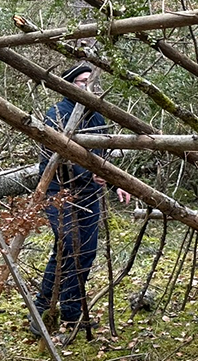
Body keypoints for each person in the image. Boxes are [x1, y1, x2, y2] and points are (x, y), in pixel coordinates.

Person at [32, 65, 131, 335]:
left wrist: (112, 180)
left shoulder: (96, 115)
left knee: (86, 251)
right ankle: (42, 310)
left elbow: (103, 153)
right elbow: (59, 155)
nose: (86, 86)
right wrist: (91, 172)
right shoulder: (56, 115)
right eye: (80, 81)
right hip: (58, 191)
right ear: (68, 85)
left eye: (89, 81)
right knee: (67, 245)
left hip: (89, 193)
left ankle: (72, 310)